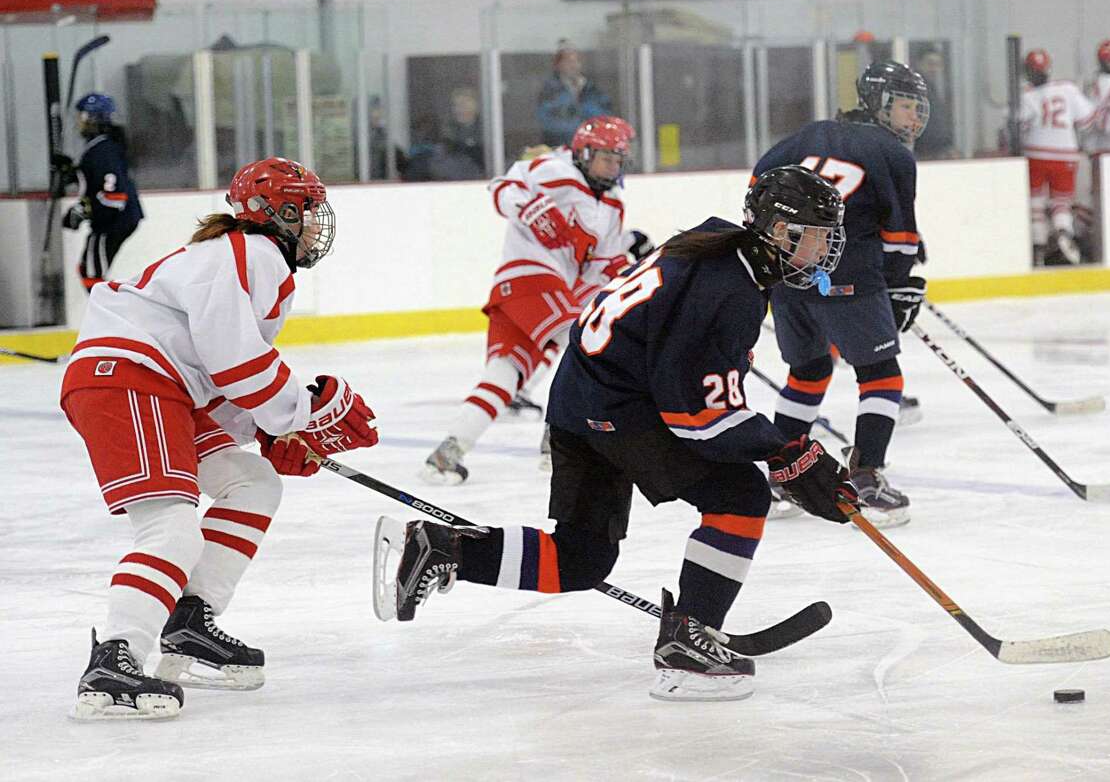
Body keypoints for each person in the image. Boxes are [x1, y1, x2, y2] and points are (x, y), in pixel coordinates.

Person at [384, 166, 857, 702]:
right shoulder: (729, 286)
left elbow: (695, 387)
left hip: (580, 398)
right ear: (779, 230)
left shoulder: (717, 245)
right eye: (816, 236)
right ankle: (688, 642)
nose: (823, 251)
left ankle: (443, 548)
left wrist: (782, 452)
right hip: (616, 408)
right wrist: (783, 452)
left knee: (582, 558)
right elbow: (692, 413)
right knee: (741, 494)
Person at [60, 157, 379, 720]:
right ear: (277, 214)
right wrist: (300, 414)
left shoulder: (248, 258)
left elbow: (220, 373)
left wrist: (265, 429)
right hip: (130, 378)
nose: (314, 224)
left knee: (253, 482)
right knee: (170, 528)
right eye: (305, 211)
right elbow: (236, 362)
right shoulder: (250, 253)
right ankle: (115, 656)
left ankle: (189, 620)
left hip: (166, 385)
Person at [419, 116, 653, 485]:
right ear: (584, 153)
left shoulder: (613, 206)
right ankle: (556, 440)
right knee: (584, 348)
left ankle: (446, 455)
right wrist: (529, 208)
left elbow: (597, 268)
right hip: (529, 279)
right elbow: (502, 187)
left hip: (537, 295)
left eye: (618, 160)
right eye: (606, 158)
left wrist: (630, 264)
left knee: (504, 378)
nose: (612, 166)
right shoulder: (556, 169)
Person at [752, 60, 929, 528]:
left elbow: (758, 189)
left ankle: (780, 479)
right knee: (881, 375)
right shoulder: (893, 154)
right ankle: (866, 478)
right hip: (850, 277)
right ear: (878, 105)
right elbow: (901, 240)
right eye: (905, 107)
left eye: (918, 109)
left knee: (808, 371)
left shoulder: (808, 135)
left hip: (786, 277)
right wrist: (896, 283)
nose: (913, 118)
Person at [1017, 50, 1097, 266]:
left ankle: (1038, 247)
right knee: (1061, 201)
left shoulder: (1026, 96)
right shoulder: (1067, 89)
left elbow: (1017, 127)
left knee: (1036, 202)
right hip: (1065, 153)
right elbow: (1088, 120)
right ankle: (1063, 237)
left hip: (1035, 153)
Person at [58, 93, 144, 291]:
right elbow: (95, 180)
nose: (79, 122)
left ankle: (114, 310)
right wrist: (72, 172)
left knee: (92, 273)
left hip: (114, 221)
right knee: (88, 270)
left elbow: (114, 195)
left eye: (82, 116)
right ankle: (109, 309)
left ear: (92, 118)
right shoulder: (101, 146)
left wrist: (85, 210)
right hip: (115, 219)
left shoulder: (103, 150)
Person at [536, 41, 613, 148]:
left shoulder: (592, 89)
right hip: (559, 147)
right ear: (558, 65)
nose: (573, 65)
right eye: (568, 61)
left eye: (576, 61)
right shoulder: (550, 91)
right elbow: (547, 122)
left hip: (589, 147)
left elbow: (604, 116)